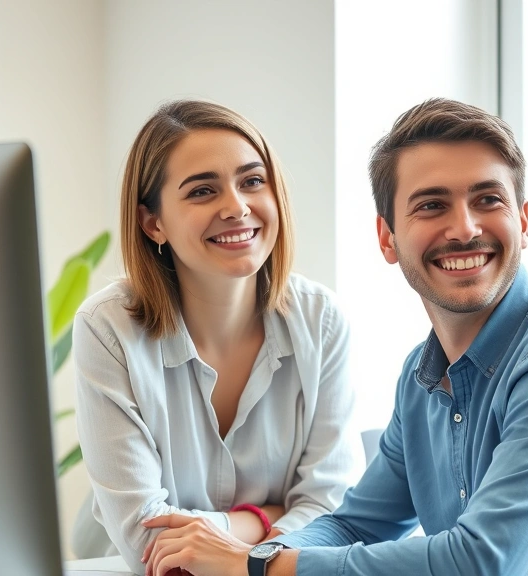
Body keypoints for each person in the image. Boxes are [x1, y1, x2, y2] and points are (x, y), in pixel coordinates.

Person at [139, 98, 528, 576]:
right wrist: (252, 557)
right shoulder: (422, 379)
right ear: (387, 238)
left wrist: (255, 568)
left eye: (487, 200)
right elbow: (354, 526)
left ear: (523, 222)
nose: (464, 228)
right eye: (432, 205)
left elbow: (481, 562)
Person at [71, 100, 363, 574]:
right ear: (153, 223)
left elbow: (332, 509)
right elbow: (149, 542)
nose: (237, 206)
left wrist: (231, 549)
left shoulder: (321, 320)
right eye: (203, 191)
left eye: (252, 181)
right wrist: (257, 519)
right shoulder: (108, 329)